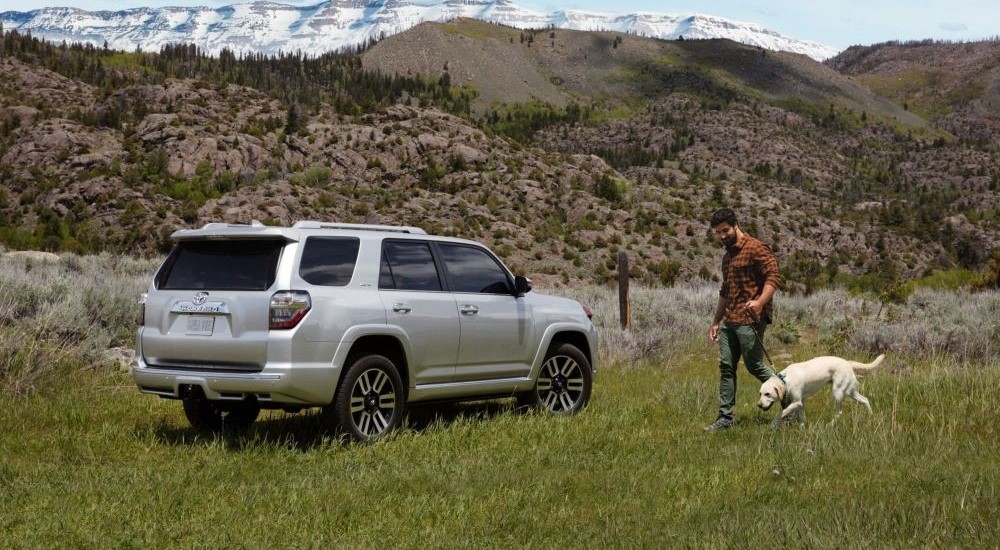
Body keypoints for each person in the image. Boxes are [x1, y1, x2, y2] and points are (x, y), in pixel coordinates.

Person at [704, 208, 781, 432]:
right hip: (730, 319)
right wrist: (716, 321)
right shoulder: (727, 257)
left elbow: (774, 277)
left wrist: (759, 303)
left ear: (735, 225)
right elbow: (725, 291)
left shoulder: (756, 248)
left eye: (725, 231)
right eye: (717, 232)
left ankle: (790, 401)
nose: (721, 236)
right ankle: (725, 418)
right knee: (726, 367)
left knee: (754, 365)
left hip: (751, 319)